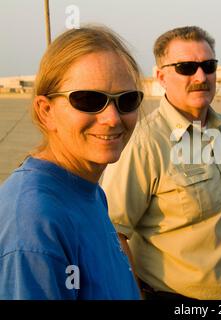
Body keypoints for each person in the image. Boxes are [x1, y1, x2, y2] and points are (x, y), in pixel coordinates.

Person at [100, 26, 221, 300]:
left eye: (208, 66)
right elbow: (113, 231)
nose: (201, 76)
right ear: (161, 76)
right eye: (186, 67)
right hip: (169, 295)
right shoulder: (144, 142)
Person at [0, 26, 144, 299]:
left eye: (127, 100)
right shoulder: (33, 224)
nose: (112, 118)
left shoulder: (88, 190)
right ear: (46, 112)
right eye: (89, 100)